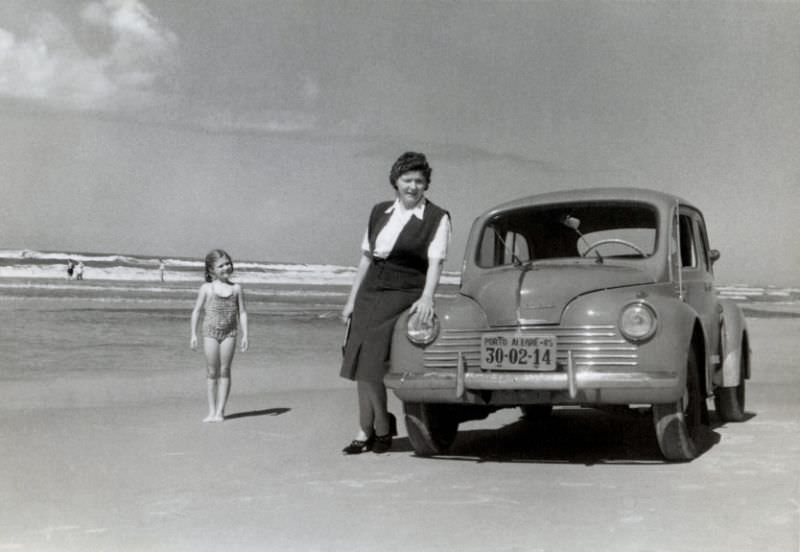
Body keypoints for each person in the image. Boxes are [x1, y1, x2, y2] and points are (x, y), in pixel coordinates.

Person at [340, 152, 451, 454]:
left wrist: (428, 297)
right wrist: (351, 301)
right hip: (370, 291)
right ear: (396, 181)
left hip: (403, 291)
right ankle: (366, 428)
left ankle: (383, 426)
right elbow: (366, 258)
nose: (413, 186)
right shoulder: (379, 211)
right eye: (407, 180)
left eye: (419, 181)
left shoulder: (437, 217)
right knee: (358, 363)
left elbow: (436, 262)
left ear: (426, 184)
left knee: (372, 365)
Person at [190, 249, 249, 422]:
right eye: (221, 265)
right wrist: (193, 334)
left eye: (228, 263)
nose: (226, 267)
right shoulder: (207, 288)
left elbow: (243, 313)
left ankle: (220, 412)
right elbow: (196, 311)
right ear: (211, 270)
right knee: (211, 371)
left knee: (225, 370)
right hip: (210, 333)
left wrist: (246, 335)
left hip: (230, 333)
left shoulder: (236, 288)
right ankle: (211, 411)